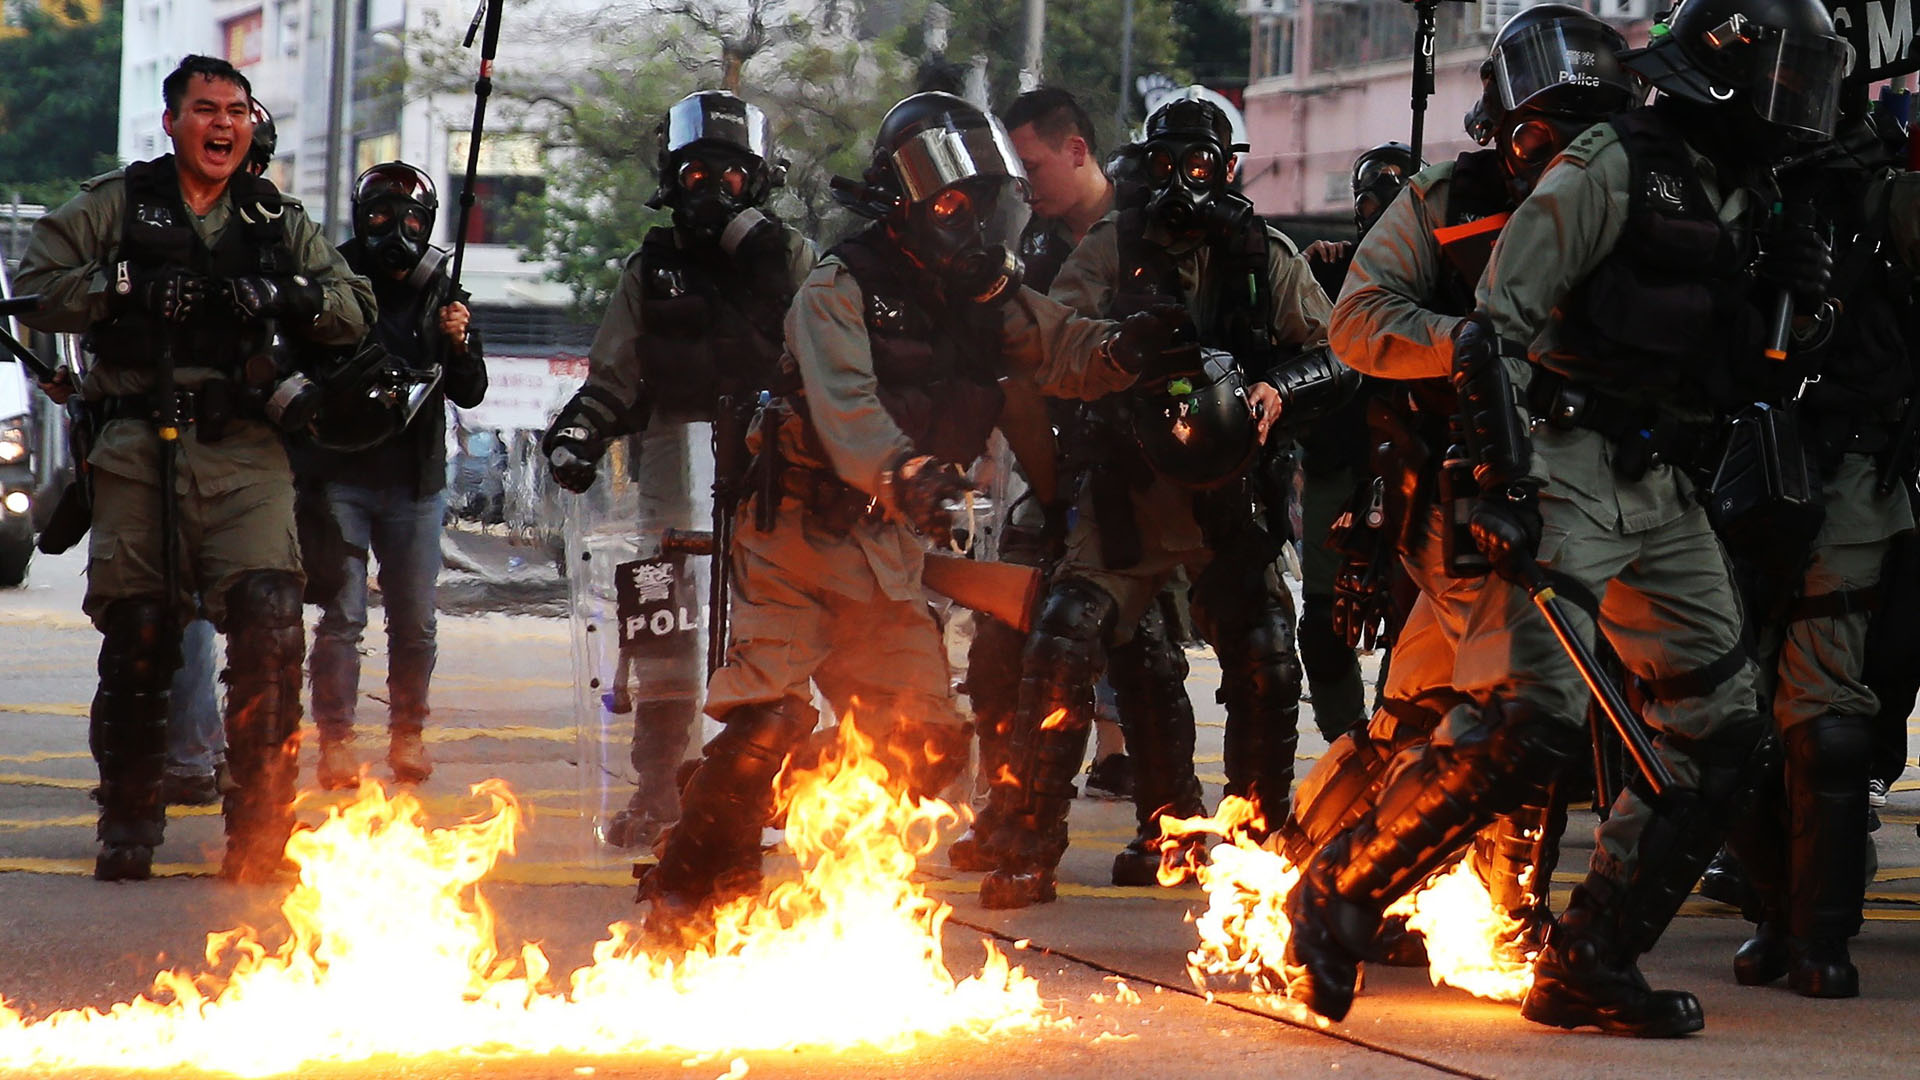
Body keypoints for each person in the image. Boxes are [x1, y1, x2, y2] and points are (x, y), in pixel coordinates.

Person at [1282, 0, 1853, 1037]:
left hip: (1659, 480)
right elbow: (1492, 328)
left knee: (1723, 732)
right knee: (1523, 722)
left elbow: (1751, 368)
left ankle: (1590, 961)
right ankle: (1338, 897)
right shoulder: (1612, 167)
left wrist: (1799, 310)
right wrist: (1498, 477)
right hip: (1557, 462)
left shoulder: (1749, 195)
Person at [635, 90, 1176, 932]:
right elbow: (849, 417)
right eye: (948, 199)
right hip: (795, 537)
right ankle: (684, 888)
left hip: (885, 553)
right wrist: (915, 476)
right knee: (766, 721)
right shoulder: (838, 286)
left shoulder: (986, 295)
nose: (967, 218)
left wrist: (1124, 352)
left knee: (926, 748)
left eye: (980, 199)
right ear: (905, 200)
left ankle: (791, 852)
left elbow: (1060, 348)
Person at [1285, 6, 1639, 962]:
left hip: (1597, 494)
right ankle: (1482, 914)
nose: (1558, 147)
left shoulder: (1638, 191)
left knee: (1433, 713)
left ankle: (1328, 874)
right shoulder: (1443, 203)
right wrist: (1472, 347)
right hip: (1469, 502)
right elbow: (1357, 324)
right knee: (1511, 712)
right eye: (1540, 125)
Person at [977, 93, 1354, 909]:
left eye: (1203, 165)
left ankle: (1253, 842)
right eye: (1169, 163)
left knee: (1263, 654)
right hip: (1130, 494)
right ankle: (1043, 842)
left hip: (1230, 500)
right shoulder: (1113, 246)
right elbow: (1052, 347)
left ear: (1228, 168)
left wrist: (1278, 389)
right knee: (1071, 641)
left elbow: (1339, 353)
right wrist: (1118, 352)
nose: (1185, 183)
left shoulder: (1261, 255)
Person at [15, 54, 375, 881]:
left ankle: (261, 829)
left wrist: (283, 296)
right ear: (172, 121)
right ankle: (131, 817)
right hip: (138, 441)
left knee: (273, 621)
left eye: (237, 111)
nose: (222, 125)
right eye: (206, 109)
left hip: (246, 446)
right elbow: (34, 289)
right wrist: (122, 286)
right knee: (140, 633)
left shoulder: (277, 218)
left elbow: (353, 308)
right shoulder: (116, 203)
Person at [541, 90, 816, 847]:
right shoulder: (650, 267)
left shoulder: (790, 257)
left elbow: (827, 353)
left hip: (771, 455)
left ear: (758, 181)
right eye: (697, 175)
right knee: (666, 629)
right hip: (671, 449)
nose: (713, 191)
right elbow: (614, 372)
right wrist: (580, 436)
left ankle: (758, 788)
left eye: (731, 176)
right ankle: (658, 787)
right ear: (671, 181)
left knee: (767, 627)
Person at [949, 86, 1201, 887]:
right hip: (1068, 476)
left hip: (1160, 480)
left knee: (1146, 661)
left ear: (1077, 148)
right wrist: (1049, 493)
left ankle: (1171, 826)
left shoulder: (1165, 223)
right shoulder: (1043, 253)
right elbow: (1021, 379)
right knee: (1001, 649)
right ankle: (1011, 810)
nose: (1026, 187)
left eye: (1032, 166)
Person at [1717, 94, 1918, 998]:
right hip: (1730, 478)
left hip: (1846, 481)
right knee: (1725, 719)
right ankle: (1773, 913)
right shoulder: (1722, 188)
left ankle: (1820, 937)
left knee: (1825, 722)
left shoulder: (1886, 202)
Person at [300, 161, 487, 789]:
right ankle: (336, 741)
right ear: (361, 216)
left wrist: (457, 340)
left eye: (409, 219)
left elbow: (472, 391)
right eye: (381, 214)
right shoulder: (334, 275)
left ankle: (408, 732)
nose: (395, 231)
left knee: (414, 620)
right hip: (340, 474)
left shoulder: (442, 287)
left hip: (415, 481)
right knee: (343, 617)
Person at [1295, 141, 1422, 744]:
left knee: (1415, 615)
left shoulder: (1441, 276)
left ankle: (1395, 733)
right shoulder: (1328, 269)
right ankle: (1348, 738)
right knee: (1324, 619)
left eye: (1391, 199)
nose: (1377, 212)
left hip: (1417, 460)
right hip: (1338, 458)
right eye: (1370, 199)